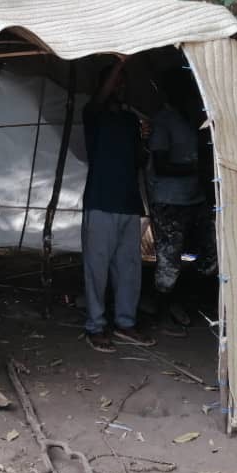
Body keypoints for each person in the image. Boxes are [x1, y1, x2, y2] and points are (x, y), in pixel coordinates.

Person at [81, 58, 155, 352]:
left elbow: (138, 161)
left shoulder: (130, 121)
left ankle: (125, 323)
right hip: (100, 202)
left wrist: (145, 142)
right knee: (96, 269)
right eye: (117, 81)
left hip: (127, 202)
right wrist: (120, 61)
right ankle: (95, 326)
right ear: (105, 86)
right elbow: (104, 93)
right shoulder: (94, 113)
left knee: (129, 269)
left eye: (124, 82)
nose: (122, 86)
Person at [147, 69, 217, 335]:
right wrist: (196, 170)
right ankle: (163, 312)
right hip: (170, 200)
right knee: (169, 259)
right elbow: (162, 165)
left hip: (195, 197)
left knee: (209, 253)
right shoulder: (164, 120)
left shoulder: (193, 119)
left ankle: (180, 300)